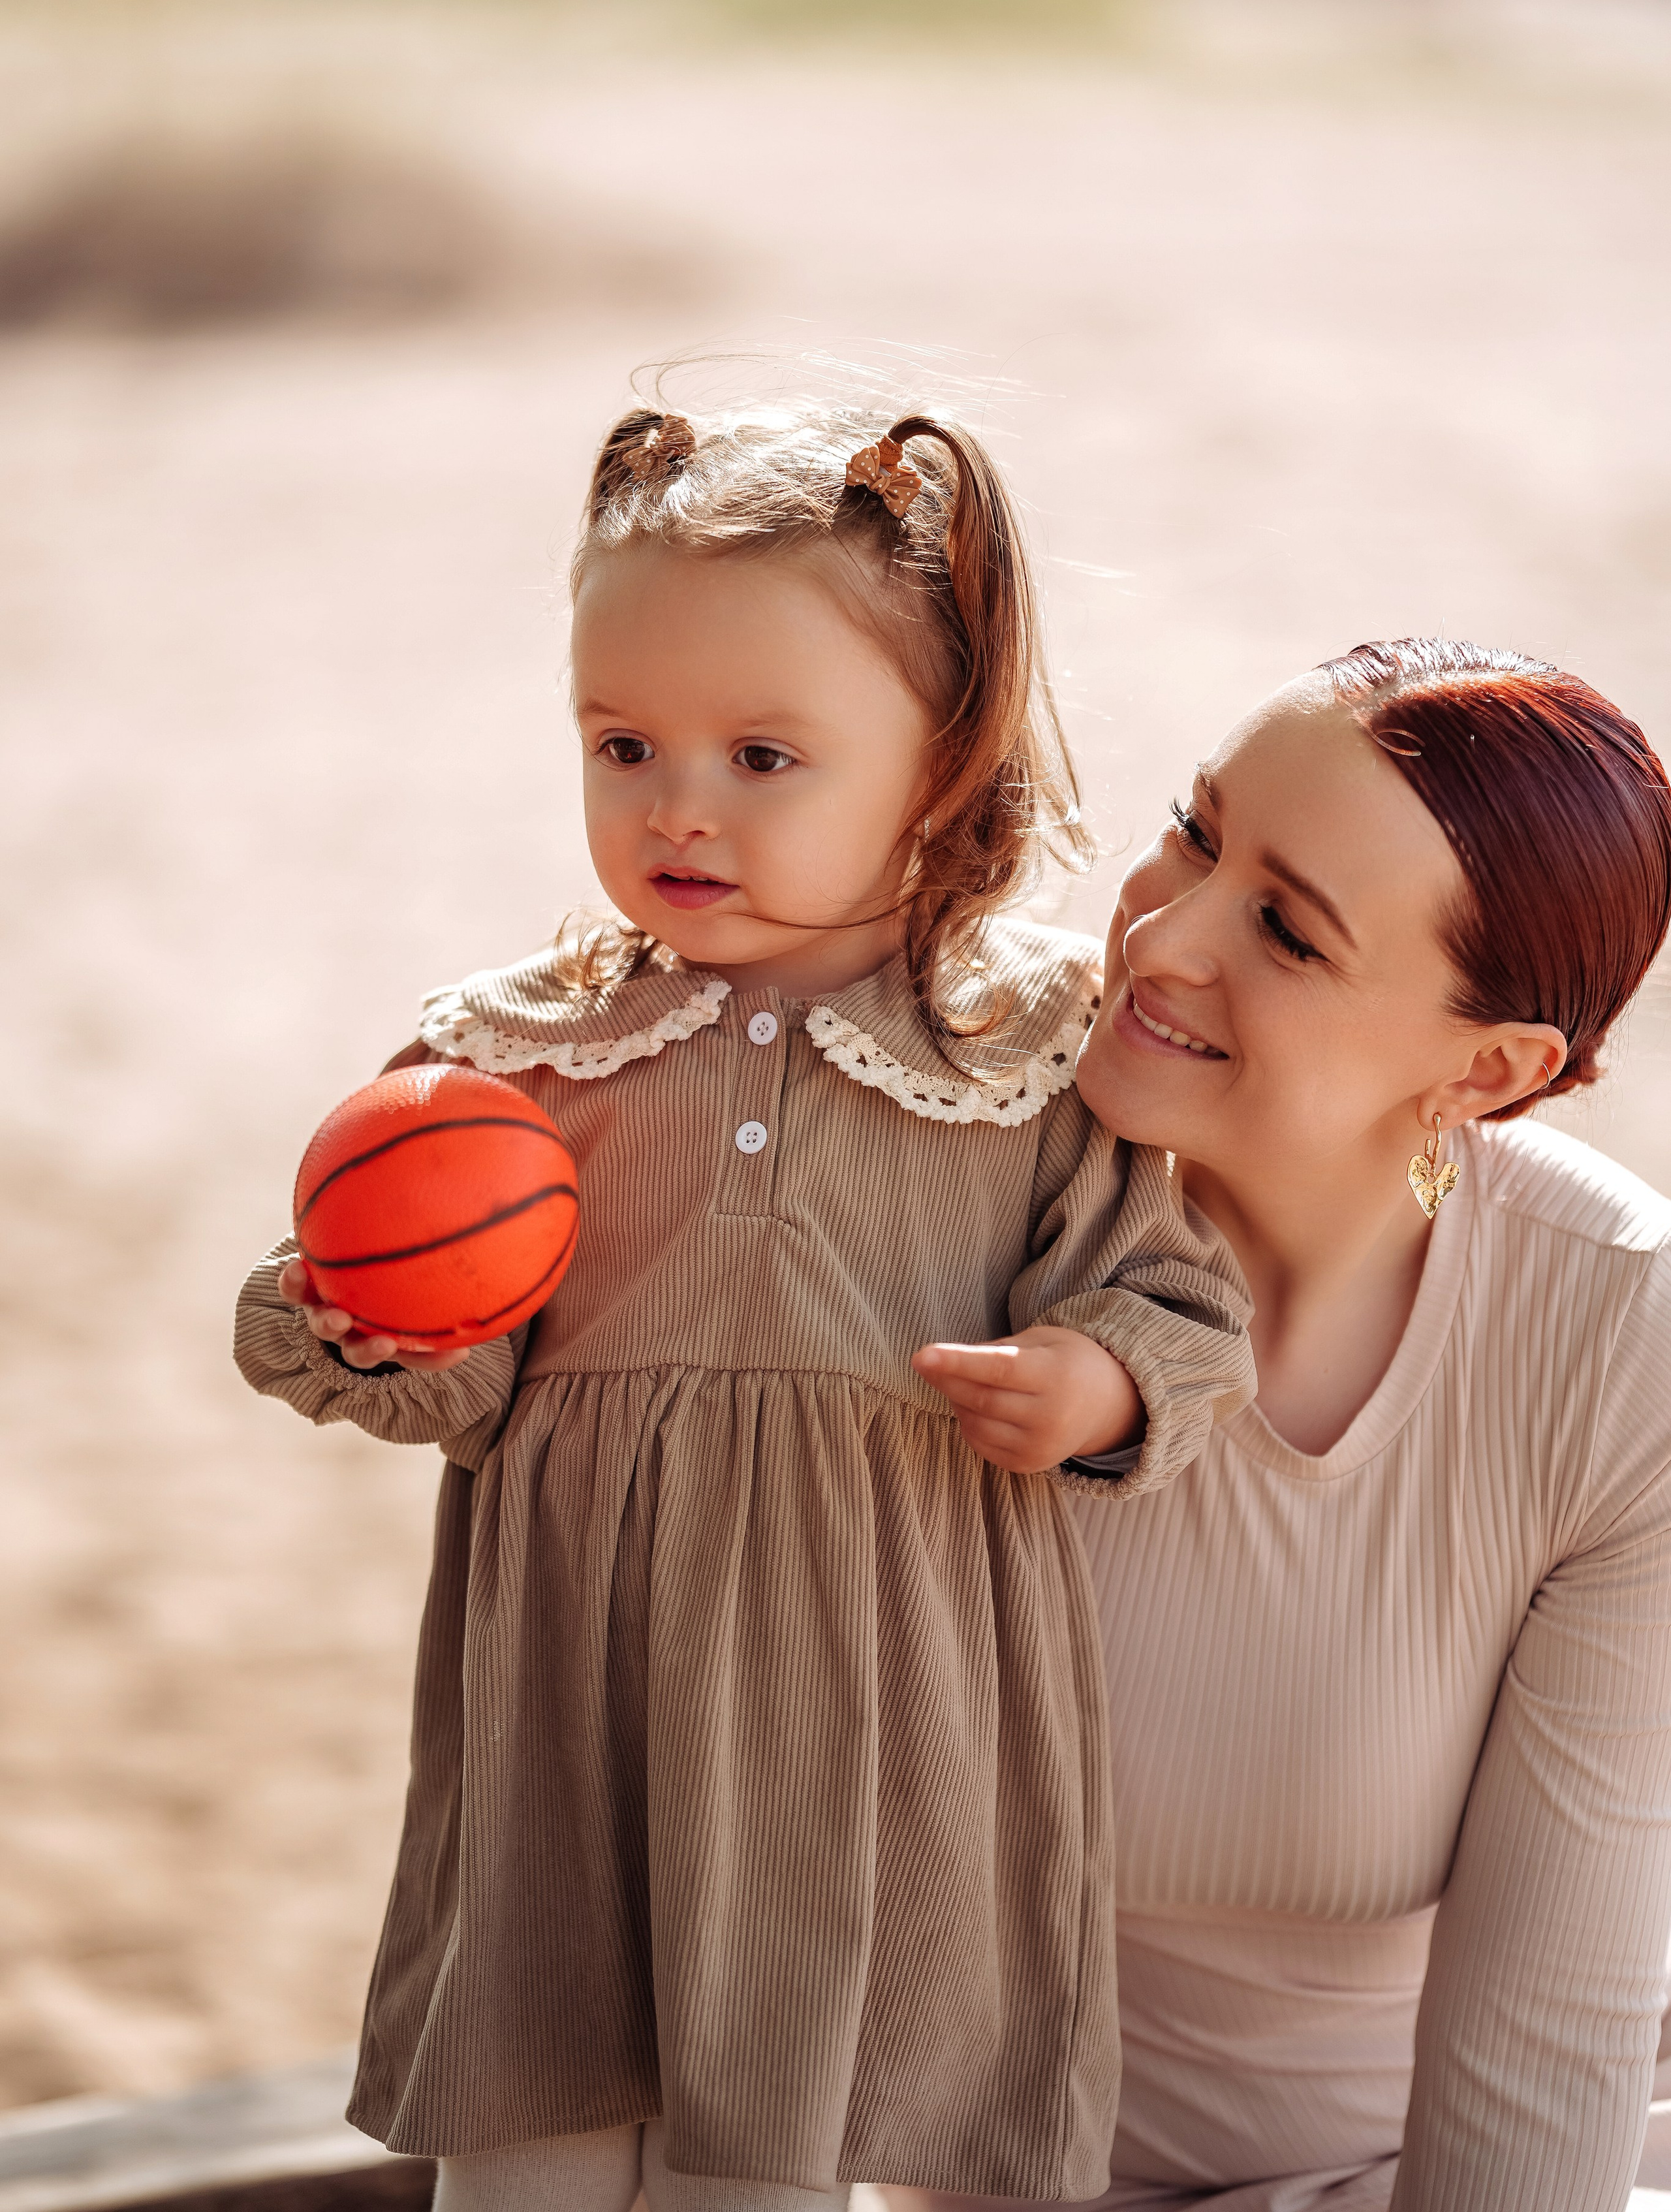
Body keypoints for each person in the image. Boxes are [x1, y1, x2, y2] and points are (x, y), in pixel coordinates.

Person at [232, 405, 1258, 2212]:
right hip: (575, 1704)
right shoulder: (526, 1054)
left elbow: (1176, 1297)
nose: (676, 807)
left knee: (773, 2156)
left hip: (850, 1713)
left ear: (941, 766)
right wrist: (392, 1338)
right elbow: (457, 1376)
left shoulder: (1017, 1057)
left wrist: (1090, 1382)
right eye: (622, 744)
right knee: (529, 2152)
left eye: (765, 755)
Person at [911, 637, 1671, 2212]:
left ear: (1484, 1070)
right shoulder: (939, 1180)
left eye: (1285, 932)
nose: (1161, 937)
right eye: (1194, 831)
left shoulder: (1610, 1341)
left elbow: (1547, 2045)